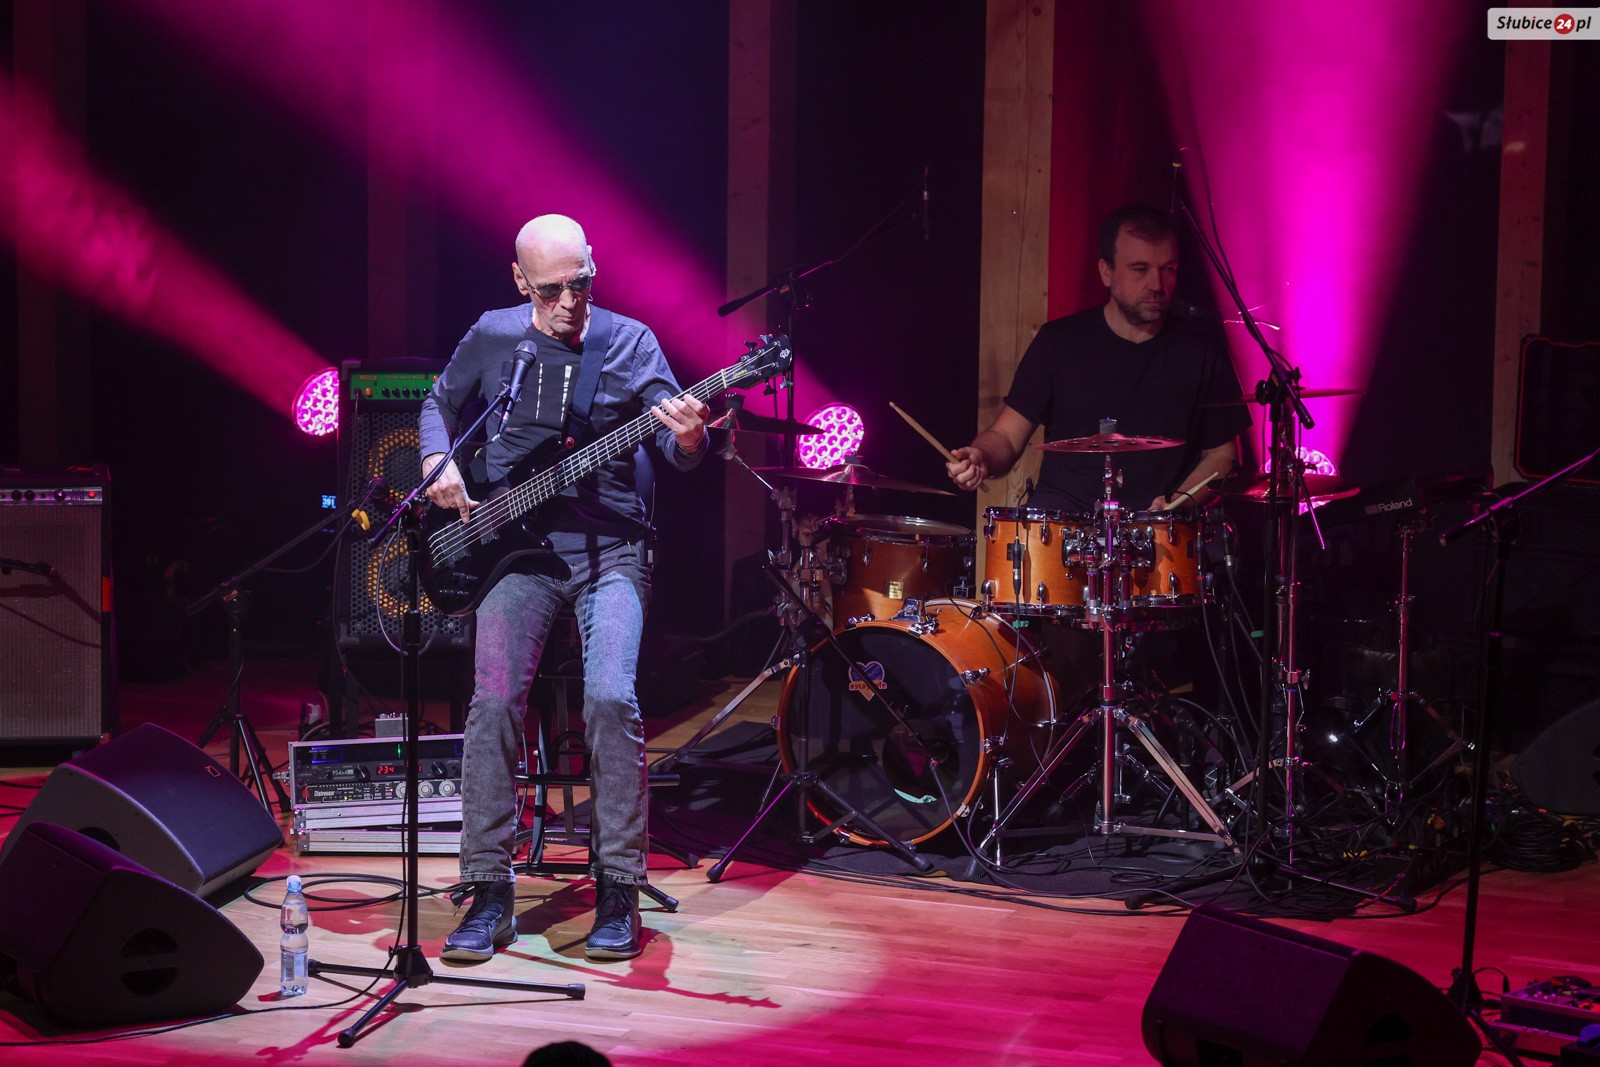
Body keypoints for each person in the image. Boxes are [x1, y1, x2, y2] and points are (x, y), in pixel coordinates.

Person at [418, 213, 709, 963]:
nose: (570, 302)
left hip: (611, 551)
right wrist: (436, 463)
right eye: (552, 290)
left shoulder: (630, 342)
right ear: (521, 282)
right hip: (516, 552)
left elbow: (679, 447)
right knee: (492, 703)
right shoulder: (494, 335)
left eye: (582, 283)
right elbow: (439, 403)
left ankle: (618, 886)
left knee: (610, 698)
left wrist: (688, 435)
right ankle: (489, 889)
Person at [946, 204, 1248, 510]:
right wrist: (981, 457)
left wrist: (1179, 502)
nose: (1157, 285)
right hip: (1063, 524)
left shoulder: (1201, 351)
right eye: (1140, 269)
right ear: (1106, 272)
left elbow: (1222, 456)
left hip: (1159, 527)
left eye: (1168, 269)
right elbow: (1006, 436)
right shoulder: (1058, 342)